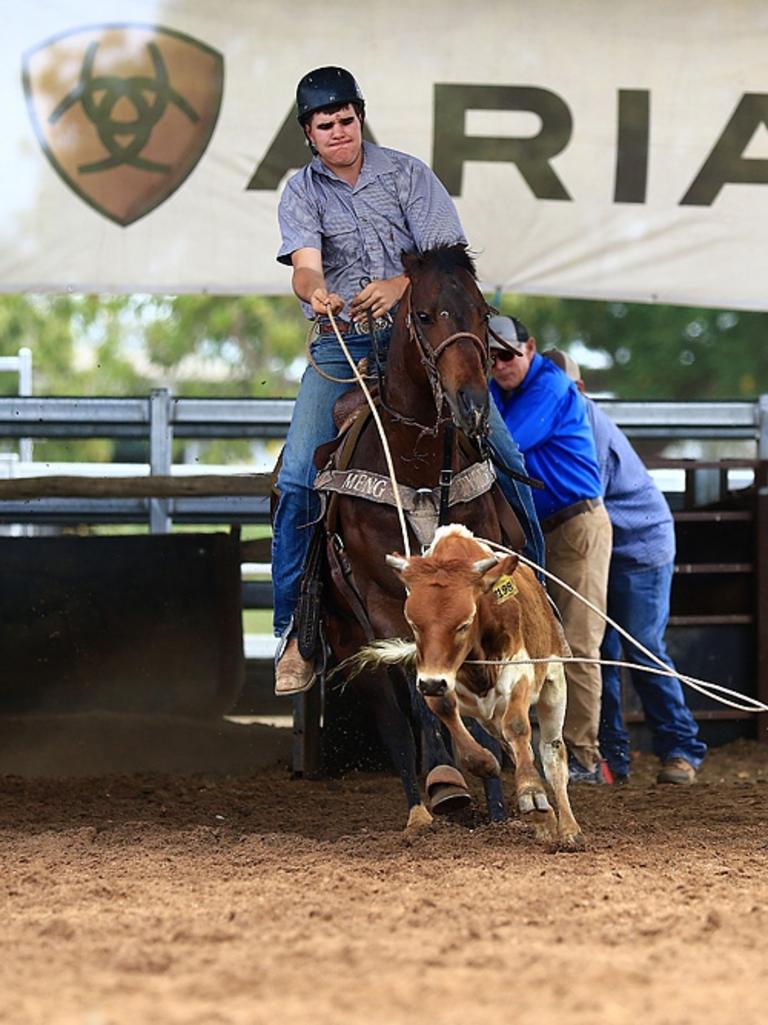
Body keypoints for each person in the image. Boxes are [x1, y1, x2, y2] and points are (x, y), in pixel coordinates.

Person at [272, 66, 543, 695]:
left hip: (423, 338)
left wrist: (398, 288)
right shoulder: (301, 191)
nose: (338, 132)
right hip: (341, 345)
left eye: (345, 120)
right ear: (308, 133)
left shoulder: (409, 175)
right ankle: (295, 632)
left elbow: (446, 264)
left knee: (505, 451)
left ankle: (535, 593)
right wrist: (319, 296)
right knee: (294, 480)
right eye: (324, 125)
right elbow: (305, 270)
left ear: (359, 117)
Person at [542, 348, 707, 785]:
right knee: (599, 653)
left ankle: (681, 748)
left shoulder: (582, 424)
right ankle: (612, 757)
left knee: (643, 650)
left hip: (636, 548)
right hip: (601, 551)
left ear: (577, 389)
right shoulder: (566, 420)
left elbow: (577, 494)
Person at [488, 316, 613, 783]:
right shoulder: (506, 391)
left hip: (575, 527)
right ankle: (553, 750)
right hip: (537, 532)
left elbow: (505, 443)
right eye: (491, 357)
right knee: (539, 642)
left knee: (577, 644)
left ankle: (582, 756)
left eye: (508, 354)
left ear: (531, 348)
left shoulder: (550, 385)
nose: (500, 365)